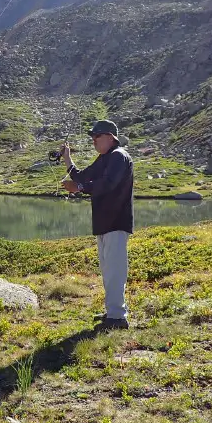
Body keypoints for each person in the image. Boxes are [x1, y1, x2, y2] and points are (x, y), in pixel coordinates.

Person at [60, 120, 134, 330]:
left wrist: (80, 187)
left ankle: (118, 318)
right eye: (92, 138)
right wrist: (67, 159)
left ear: (111, 137)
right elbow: (83, 176)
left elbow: (108, 183)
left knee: (115, 270)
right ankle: (113, 312)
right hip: (104, 223)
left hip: (116, 221)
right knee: (108, 269)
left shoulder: (119, 156)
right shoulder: (105, 158)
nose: (93, 141)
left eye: (97, 137)